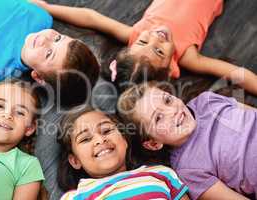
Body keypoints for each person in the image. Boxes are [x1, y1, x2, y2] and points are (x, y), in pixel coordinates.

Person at [30, 0, 257, 94]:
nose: (156, 37)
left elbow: (92, 18)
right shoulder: (186, 56)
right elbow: (238, 74)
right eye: (159, 50)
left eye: (143, 42)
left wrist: (47, 6)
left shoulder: (136, 34)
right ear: (171, 69)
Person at [117, 81, 257, 199]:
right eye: (158, 118)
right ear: (154, 143)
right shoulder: (187, 170)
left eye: (167, 100)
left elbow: (252, 113)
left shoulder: (207, 100)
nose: (172, 111)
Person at [0, 0, 100, 104]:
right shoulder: (40, 16)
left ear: (38, 76)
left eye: (49, 54)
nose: (45, 39)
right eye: (58, 38)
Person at [57, 105, 189, 199]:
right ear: (75, 161)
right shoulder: (75, 197)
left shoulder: (161, 173)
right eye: (85, 139)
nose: (100, 139)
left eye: (107, 131)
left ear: (124, 140)